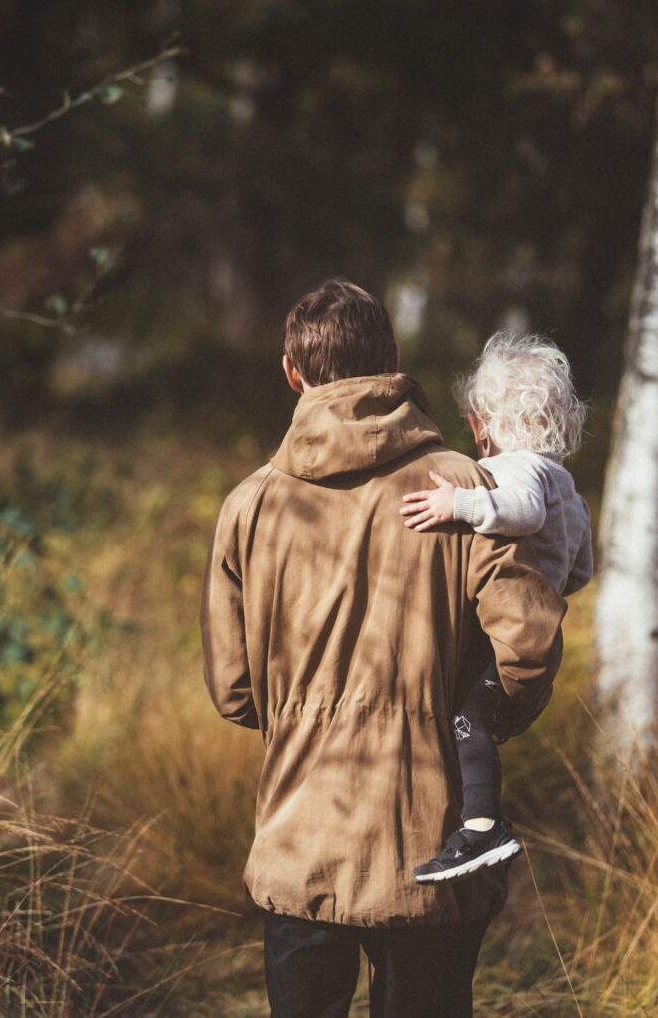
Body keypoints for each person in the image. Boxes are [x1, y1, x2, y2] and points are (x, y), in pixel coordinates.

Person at [201, 279, 567, 1017]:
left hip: (300, 845)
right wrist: (471, 726)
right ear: (393, 360)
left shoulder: (250, 505)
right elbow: (527, 648)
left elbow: (235, 690)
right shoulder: (465, 488)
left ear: (291, 372)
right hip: (433, 848)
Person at [397, 332, 593, 883]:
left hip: (498, 631)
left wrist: (457, 504)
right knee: (474, 715)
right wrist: (549, 579)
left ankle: (482, 826)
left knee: (466, 713)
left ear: (489, 420)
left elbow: (523, 512)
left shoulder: (521, 470)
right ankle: (478, 824)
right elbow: (582, 568)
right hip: (534, 624)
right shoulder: (568, 484)